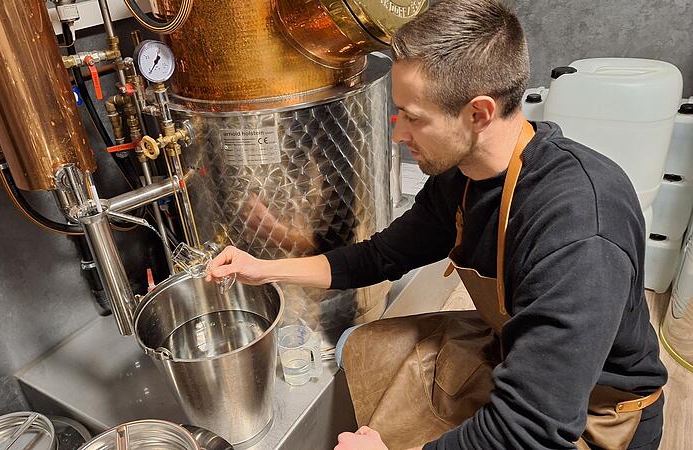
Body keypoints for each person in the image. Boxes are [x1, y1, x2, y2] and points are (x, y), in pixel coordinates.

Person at [207, 0, 667, 448]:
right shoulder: (463, 177)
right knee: (357, 344)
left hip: (596, 418)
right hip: (515, 357)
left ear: (478, 114)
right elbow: (379, 257)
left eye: (412, 117)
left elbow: (532, 428)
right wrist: (264, 269)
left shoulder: (579, 227)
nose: (397, 134)